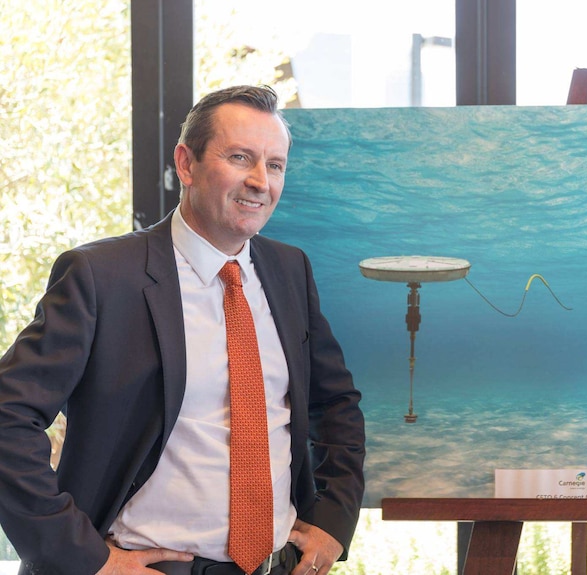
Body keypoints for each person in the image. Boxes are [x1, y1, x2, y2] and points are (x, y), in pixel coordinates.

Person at [0, 85, 365, 575]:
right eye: (241, 158)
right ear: (186, 164)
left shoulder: (289, 270)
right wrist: (84, 558)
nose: (261, 181)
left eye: (275, 165)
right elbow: (7, 417)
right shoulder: (100, 277)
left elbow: (336, 403)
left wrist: (334, 519)